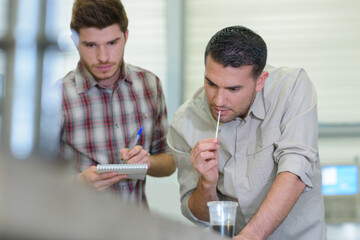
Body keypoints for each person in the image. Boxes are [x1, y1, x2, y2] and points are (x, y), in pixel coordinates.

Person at [167, 25, 326, 239]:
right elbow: (199, 216)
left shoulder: (292, 89)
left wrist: (250, 236)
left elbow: (295, 172)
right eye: (211, 83)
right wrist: (206, 184)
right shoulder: (186, 121)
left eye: (233, 89)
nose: (218, 101)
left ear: (260, 81)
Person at [57, 0, 175, 206]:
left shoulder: (150, 84)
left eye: (112, 43)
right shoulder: (56, 97)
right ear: (75, 41)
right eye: (91, 45)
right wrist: (77, 182)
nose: (103, 57)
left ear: (126, 37)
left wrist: (147, 162)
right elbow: (30, 181)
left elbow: (169, 162)